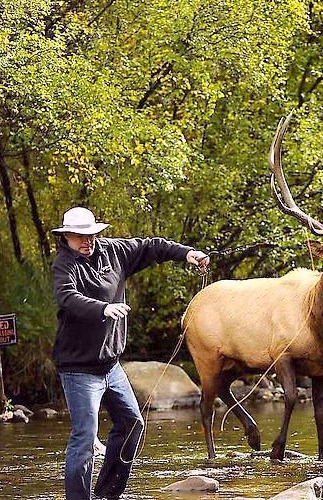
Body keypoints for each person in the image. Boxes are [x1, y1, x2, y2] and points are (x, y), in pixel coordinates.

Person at [50, 206, 209, 500]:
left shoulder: (114, 251)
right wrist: (103, 308)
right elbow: (67, 297)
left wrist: (188, 253)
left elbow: (153, 247)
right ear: (67, 237)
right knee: (84, 440)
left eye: (92, 235)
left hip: (111, 366)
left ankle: (108, 494)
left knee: (132, 424)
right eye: (80, 236)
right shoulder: (64, 264)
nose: (87, 241)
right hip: (78, 369)